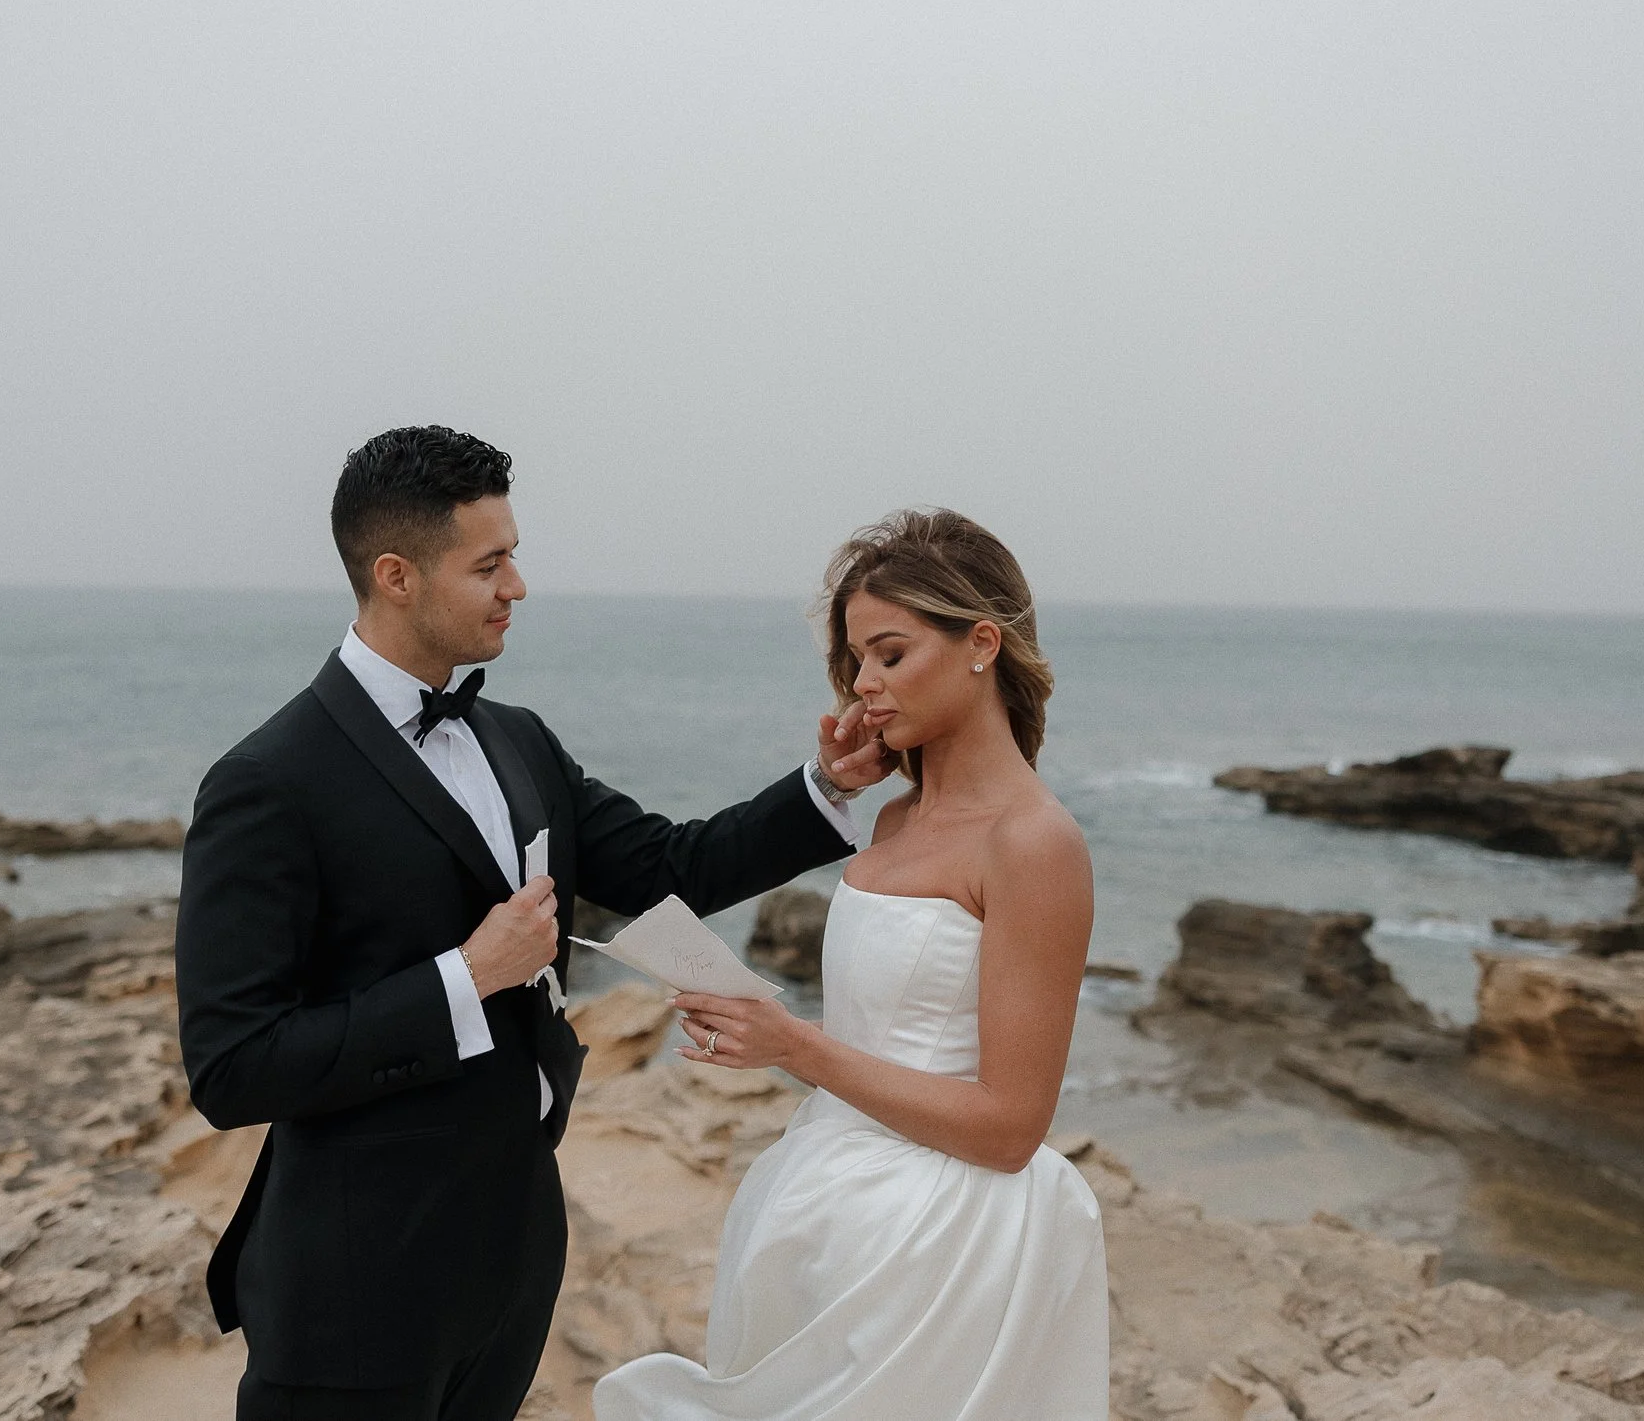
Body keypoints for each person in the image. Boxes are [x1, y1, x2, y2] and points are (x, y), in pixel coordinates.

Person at [175, 425, 891, 1421]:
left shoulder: (517, 739)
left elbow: (668, 864)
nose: (518, 584)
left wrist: (824, 786)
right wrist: (463, 976)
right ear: (396, 575)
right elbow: (231, 1065)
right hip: (352, 1290)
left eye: (514, 554)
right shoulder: (267, 783)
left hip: (510, 1264)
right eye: (490, 562)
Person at [593, 508, 1108, 1421]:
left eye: (891, 653)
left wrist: (795, 1046)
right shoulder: (893, 819)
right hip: (819, 1201)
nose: (864, 683)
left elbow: (1010, 1126)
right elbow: (893, 1032)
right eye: (856, 659)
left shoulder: (1035, 842)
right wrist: (766, 1029)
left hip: (939, 1243)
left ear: (982, 643)